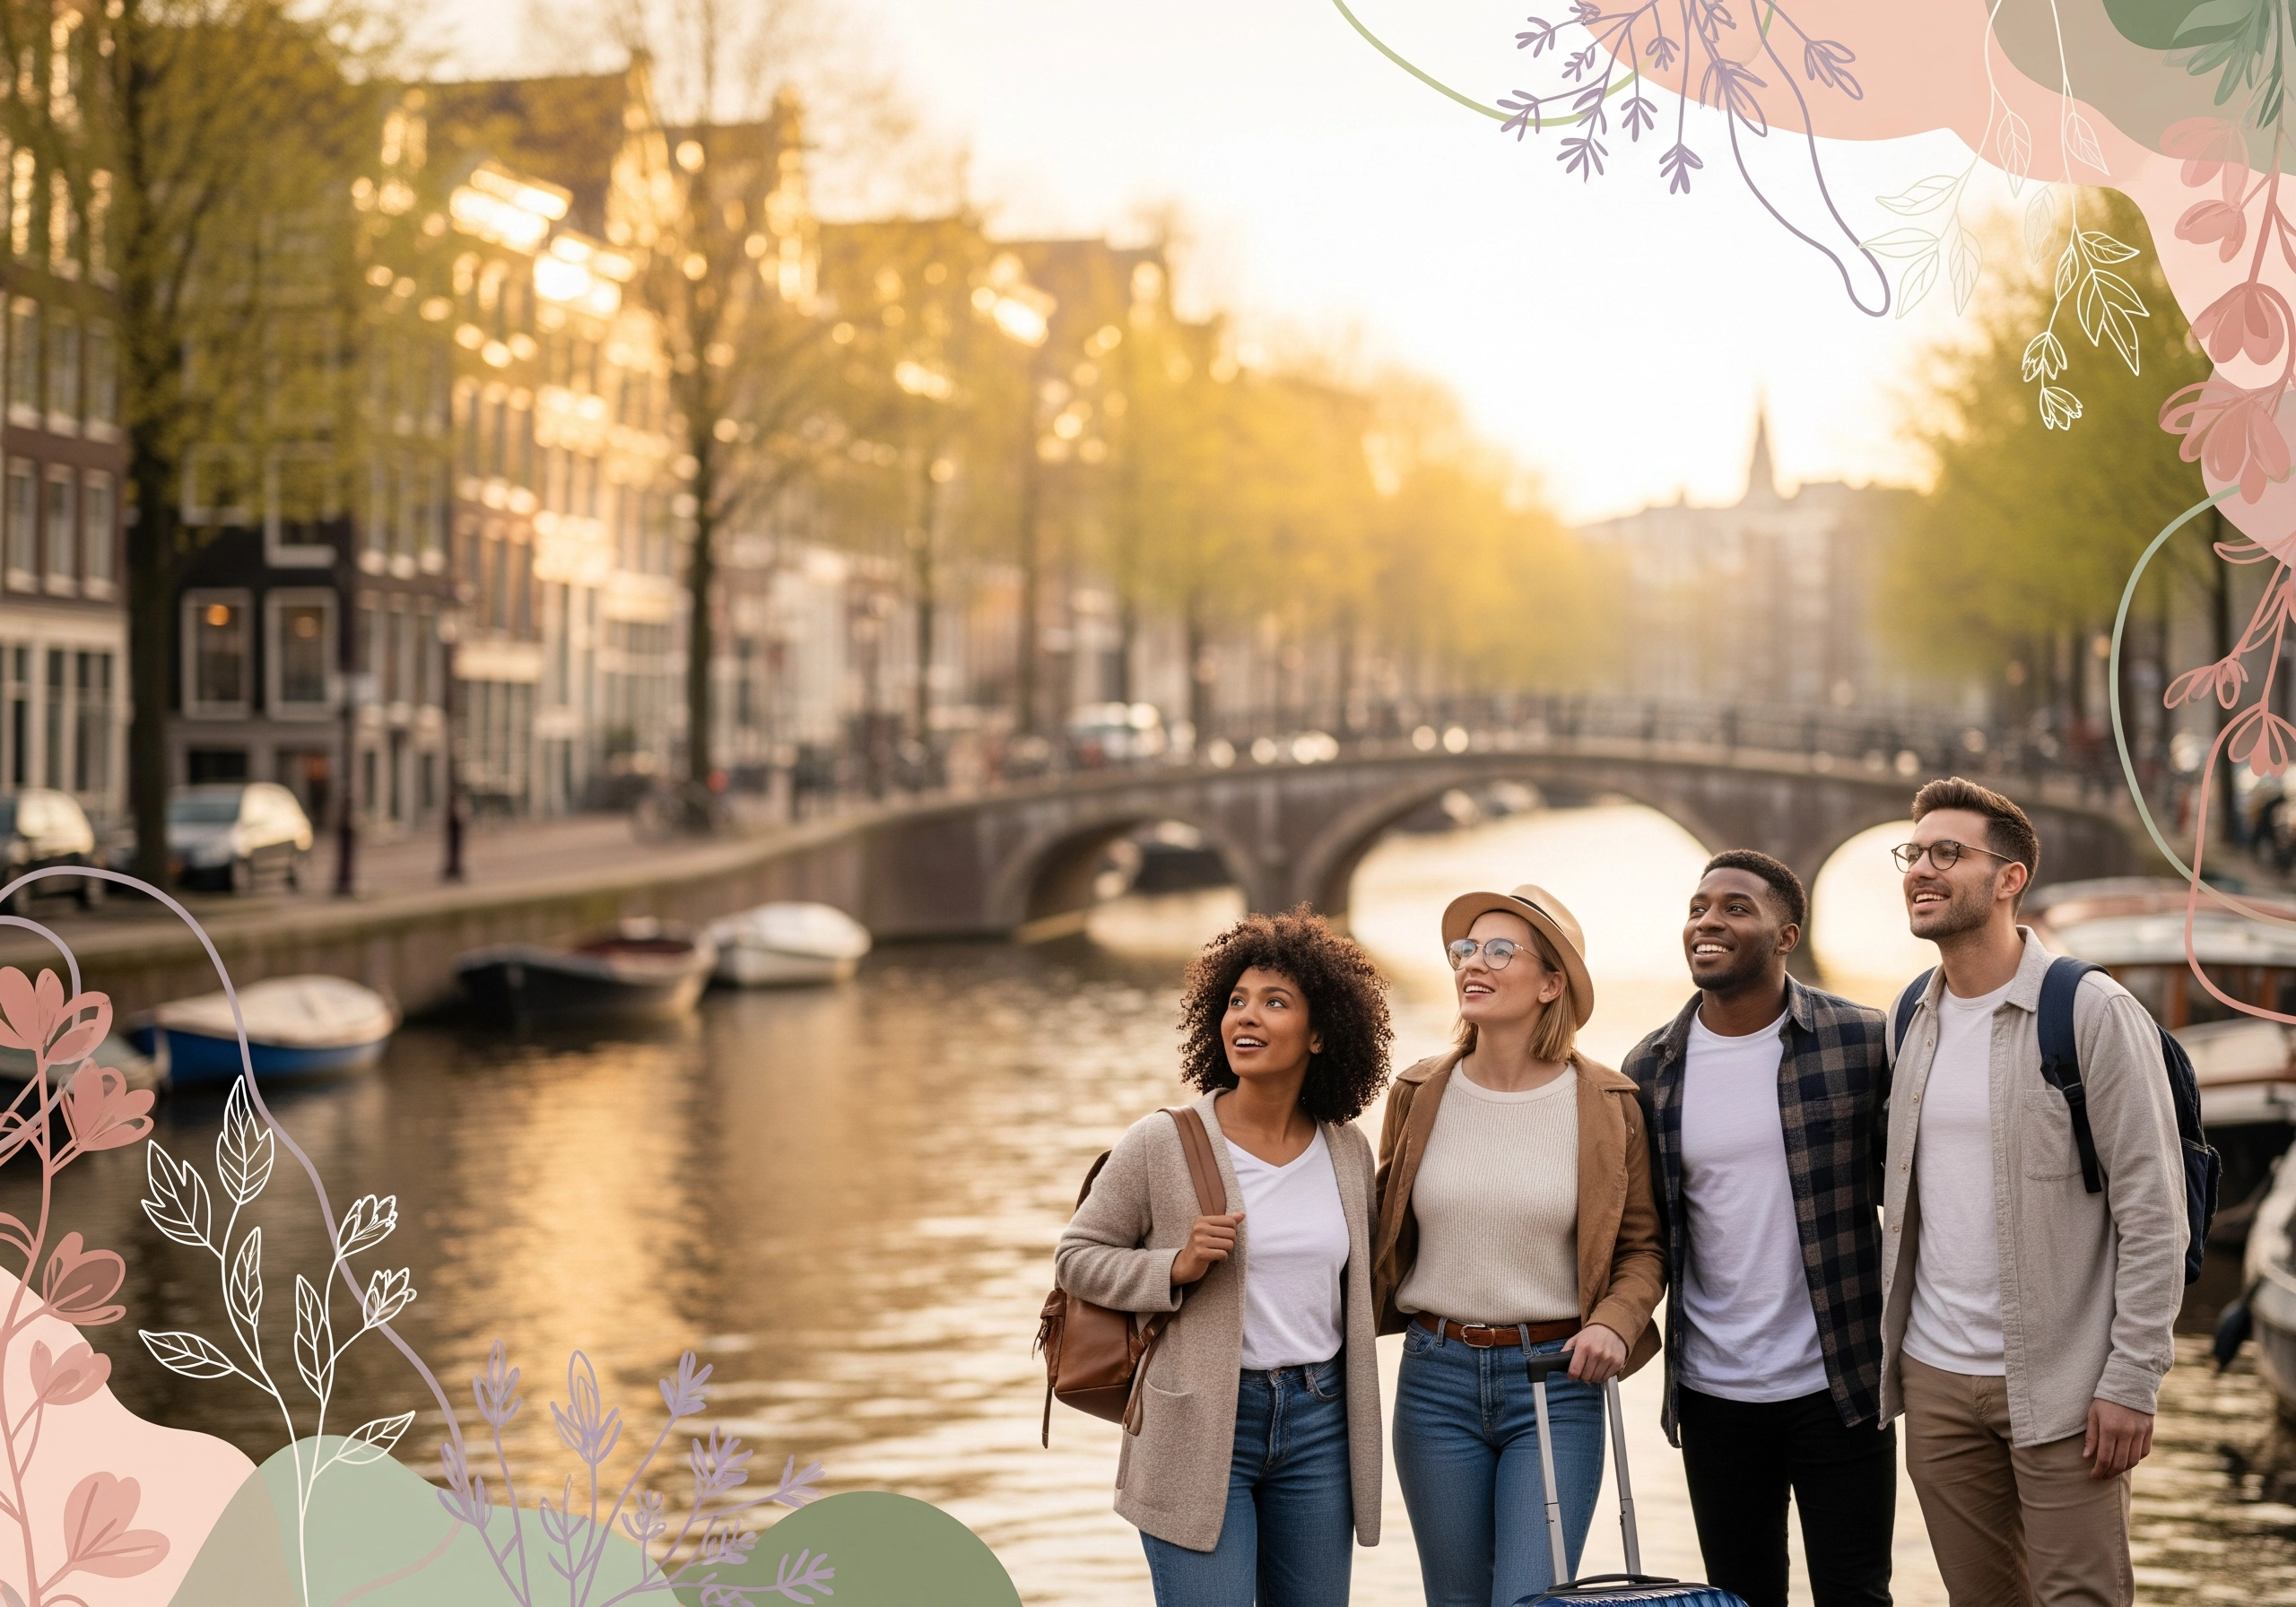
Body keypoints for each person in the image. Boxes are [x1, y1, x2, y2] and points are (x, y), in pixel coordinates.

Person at [1881, 777, 2187, 1607]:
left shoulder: (2091, 1012)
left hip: (2065, 1379)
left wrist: (2132, 1380)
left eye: (1950, 853)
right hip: (1937, 1379)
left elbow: (2156, 1216)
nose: (1922, 870)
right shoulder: (1909, 1015)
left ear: (2010, 879)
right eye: (1915, 853)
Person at [1055, 908, 1391, 1606]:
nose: (1248, 1017)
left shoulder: (1347, 1149)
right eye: (1236, 1001)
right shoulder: (1162, 1142)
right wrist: (1169, 1268)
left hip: (1319, 1423)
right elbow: (1076, 1257)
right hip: (1199, 1421)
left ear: (1322, 1033)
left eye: (1274, 1003)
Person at [1372, 883, 1665, 1607]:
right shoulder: (1416, 1092)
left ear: (1550, 983)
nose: (1475, 962)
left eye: (1501, 950)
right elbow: (1375, 1225)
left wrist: (1614, 1322)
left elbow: (1643, 1249)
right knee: (1456, 1599)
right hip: (1434, 1378)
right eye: (1465, 949)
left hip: (1557, 1381)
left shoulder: (1607, 1103)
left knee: (1533, 1600)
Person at [1621, 850, 1897, 1607]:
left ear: (1786, 936)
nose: (1708, 921)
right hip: (1715, 1395)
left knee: (1857, 1593)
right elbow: (1637, 1233)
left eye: (1736, 908)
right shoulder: (1648, 1069)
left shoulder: (1861, 1043)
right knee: (1738, 1598)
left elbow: (1918, 1192)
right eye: (1699, 907)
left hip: (1840, 1384)